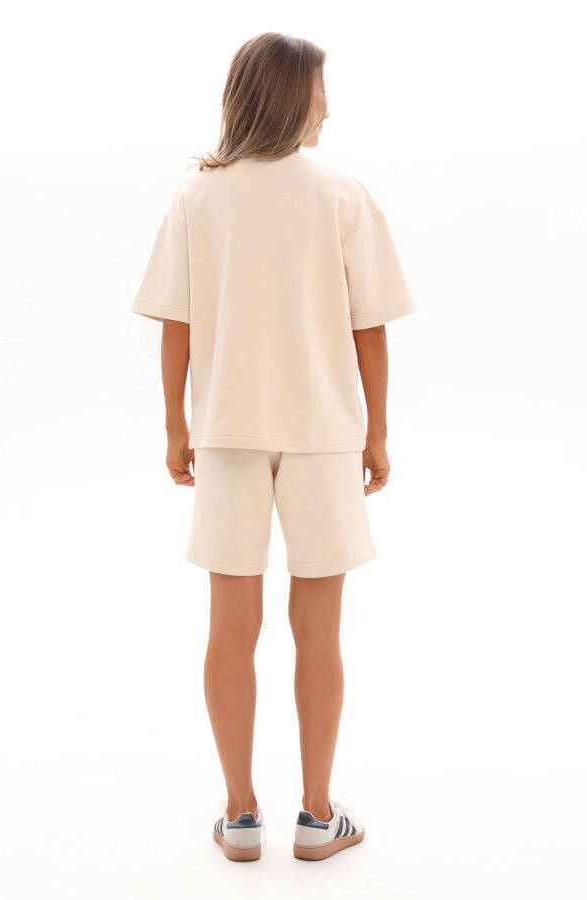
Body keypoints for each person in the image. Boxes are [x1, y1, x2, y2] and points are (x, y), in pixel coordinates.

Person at [132, 31, 415, 862]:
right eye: (322, 93)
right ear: (293, 97)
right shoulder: (341, 195)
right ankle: (319, 816)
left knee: (231, 624)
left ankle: (241, 813)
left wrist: (176, 427)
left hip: (226, 432)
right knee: (318, 629)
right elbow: (370, 329)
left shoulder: (199, 197)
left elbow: (176, 325)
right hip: (325, 434)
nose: (330, 108)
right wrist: (377, 432)